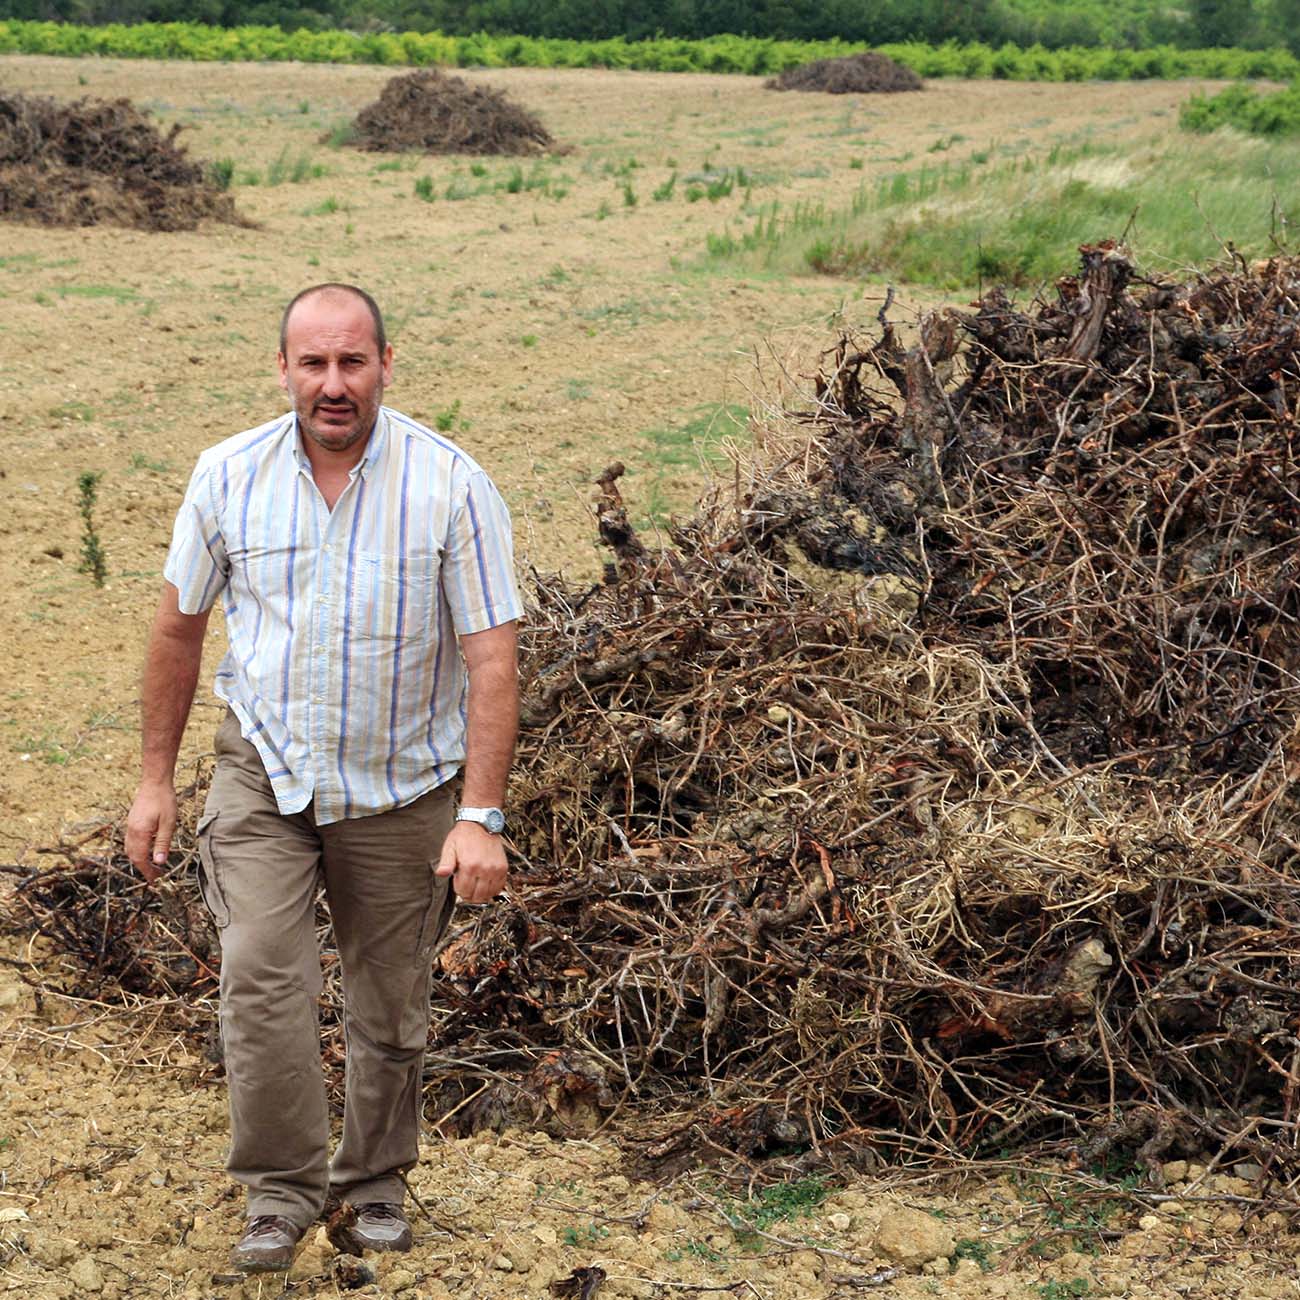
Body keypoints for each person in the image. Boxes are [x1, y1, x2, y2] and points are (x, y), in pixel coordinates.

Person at [125, 283, 523, 1274]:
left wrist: (478, 814)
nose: (333, 385)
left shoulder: (451, 485)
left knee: (389, 1002)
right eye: (314, 364)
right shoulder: (226, 476)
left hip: (399, 787)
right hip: (263, 772)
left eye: (352, 362)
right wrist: (154, 781)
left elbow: (491, 659)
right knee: (262, 972)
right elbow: (178, 631)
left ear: (387, 363)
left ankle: (375, 1182)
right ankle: (279, 1193)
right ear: (284, 370)